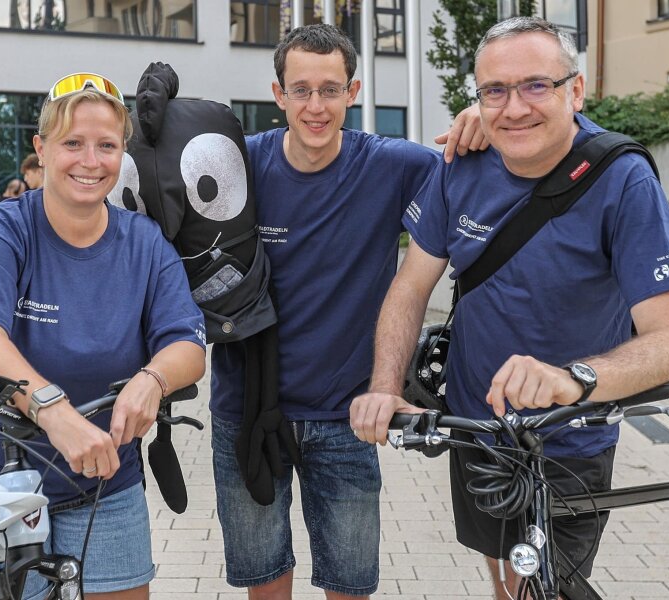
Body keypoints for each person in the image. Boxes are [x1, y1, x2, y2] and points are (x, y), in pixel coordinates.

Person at [350, 17, 669, 598]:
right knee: (506, 577)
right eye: (495, 91)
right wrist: (386, 385)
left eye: (536, 85)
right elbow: (411, 287)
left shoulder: (622, 180)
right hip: (477, 429)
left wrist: (573, 378)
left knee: (542, 585)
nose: (515, 108)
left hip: (571, 435)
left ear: (576, 90)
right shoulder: (460, 167)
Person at [209, 23, 487, 599]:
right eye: (301, 90)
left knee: (351, 584)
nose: (316, 106)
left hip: (349, 415)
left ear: (353, 92)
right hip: (246, 407)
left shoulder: (395, 166)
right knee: (264, 580)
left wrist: (481, 120)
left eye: (331, 90)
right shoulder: (241, 169)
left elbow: (481, 171)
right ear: (277, 93)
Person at [0, 72, 206, 600]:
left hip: (103, 480)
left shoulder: (145, 242)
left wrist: (152, 380)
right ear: (41, 150)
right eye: (72, 144)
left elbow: (188, 345)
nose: (90, 161)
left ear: (122, 152)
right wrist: (54, 412)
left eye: (106, 145)